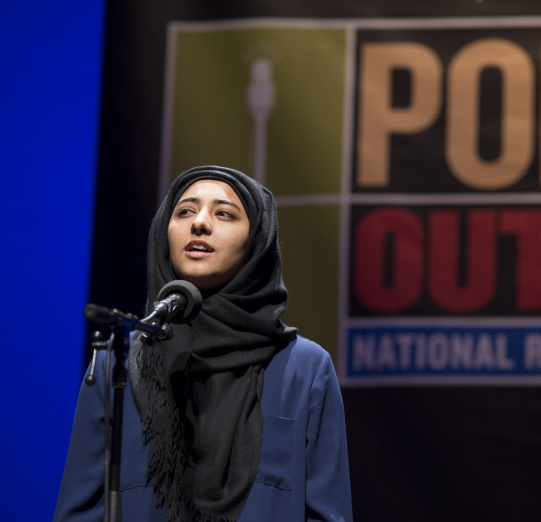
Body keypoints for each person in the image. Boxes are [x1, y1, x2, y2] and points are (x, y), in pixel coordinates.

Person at [54, 166, 352, 522]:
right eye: (184, 211)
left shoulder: (304, 369)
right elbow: (79, 511)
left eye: (224, 213)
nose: (199, 223)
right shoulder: (118, 360)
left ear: (256, 242)